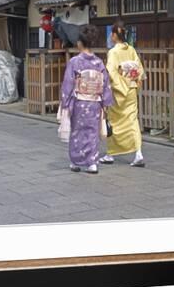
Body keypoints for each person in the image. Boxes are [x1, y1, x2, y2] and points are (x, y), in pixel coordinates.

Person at [59, 24, 113, 174]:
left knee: (77, 132)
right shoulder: (99, 63)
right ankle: (92, 163)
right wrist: (105, 103)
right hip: (95, 103)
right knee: (92, 133)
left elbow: (68, 83)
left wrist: (65, 102)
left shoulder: (75, 62)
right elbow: (105, 84)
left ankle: (76, 162)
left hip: (79, 102)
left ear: (79, 43)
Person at [99, 20, 146, 167]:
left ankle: (110, 153)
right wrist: (136, 81)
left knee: (114, 121)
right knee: (132, 121)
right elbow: (138, 68)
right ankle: (138, 153)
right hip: (131, 89)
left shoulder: (113, 52)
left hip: (118, 91)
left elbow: (112, 72)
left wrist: (118, 86)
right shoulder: (131, 49)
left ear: (114, 35)